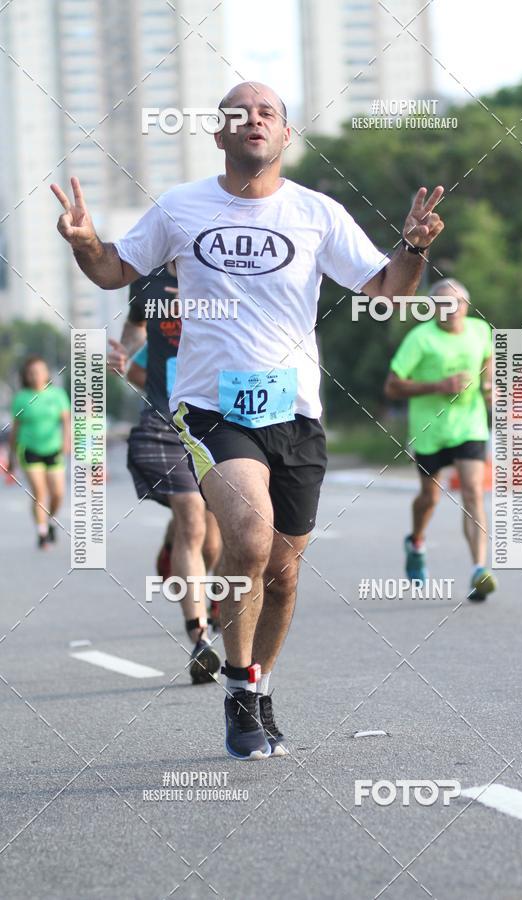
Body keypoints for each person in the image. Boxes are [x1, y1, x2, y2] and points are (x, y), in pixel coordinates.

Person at [51, 80, 444, 760]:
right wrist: (85, 240)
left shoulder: (317, 214)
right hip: (212, 408)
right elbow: (114, 270)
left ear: (285, 135)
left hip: (296, 412)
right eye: (240, 112)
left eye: (268, 113)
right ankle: (236, 687)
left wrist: (411, 249)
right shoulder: (181, 208)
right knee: (250, 536)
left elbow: (387, 290)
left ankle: (260, 686)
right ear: (220, 134)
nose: (255, 120)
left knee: (285, 573)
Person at [108, 266, 223, 683]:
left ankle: (180, 552)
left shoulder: (225, 270)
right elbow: (136, 324)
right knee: (193, 513)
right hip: (163, 423)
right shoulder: (149, 281)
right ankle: (199, 638)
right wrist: (124, 351)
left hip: (217, 419)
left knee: (214, 538)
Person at [384, 278, 497, 602]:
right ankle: (416, 541)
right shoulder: (419, 340)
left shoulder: (479, 330)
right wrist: (438, 386)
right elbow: (393, 386)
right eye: (442, 304)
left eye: (457, 303)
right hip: (429, 431)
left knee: (473, 491)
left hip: (469, 426)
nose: (451, 310)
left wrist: (489, 384)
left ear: (467, 306)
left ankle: (478, 570)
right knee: (429, 499)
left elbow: (487, 360)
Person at [8, 356, 70, 549]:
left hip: (53, 448)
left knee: (58, 493)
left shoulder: (57, 395)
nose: (35, 376)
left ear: (46, 374)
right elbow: (15, 429)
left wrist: (67, 441)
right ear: (26, 376)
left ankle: (51, 521)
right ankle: (42, 533)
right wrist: (11, 456)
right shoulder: (21, 398)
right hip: (29, 449)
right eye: (31, 373)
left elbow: (66, 421)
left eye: (39, 371)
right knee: (39, 492)